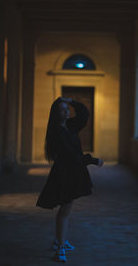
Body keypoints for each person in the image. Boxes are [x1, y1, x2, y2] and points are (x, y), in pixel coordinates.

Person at [36, 97, 104, 263]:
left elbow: (84, 114)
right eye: (61, 109)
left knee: (66, 209)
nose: (66, 111)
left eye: (67, 109)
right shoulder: (57, 131)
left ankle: (60, 240)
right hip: (64, 174)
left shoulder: (70, 126)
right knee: (64, 212)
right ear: (55, 113)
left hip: (72, 172)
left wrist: (72, 101)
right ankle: (60, 248)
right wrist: (92, 160)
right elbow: (70, 155)